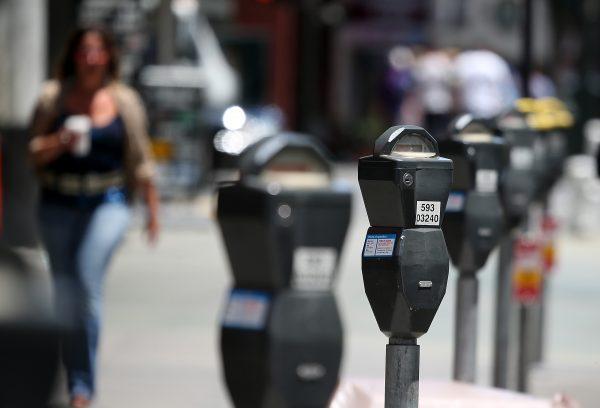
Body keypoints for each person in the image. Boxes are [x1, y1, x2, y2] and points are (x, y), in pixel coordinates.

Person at [28, 27, 159, 408]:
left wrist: (153, 211)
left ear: (108, 56)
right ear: (73, 55)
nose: (90, 57)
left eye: (97, 50)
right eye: (84, 50)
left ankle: (81, 388)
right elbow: (31, 152)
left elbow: (142, 159)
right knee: (65, 296)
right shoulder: (53, 97)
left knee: (86, 285)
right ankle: (62, 378)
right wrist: (58, 142)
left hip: (108, 201)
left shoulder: (124, 100)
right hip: (58, 201)